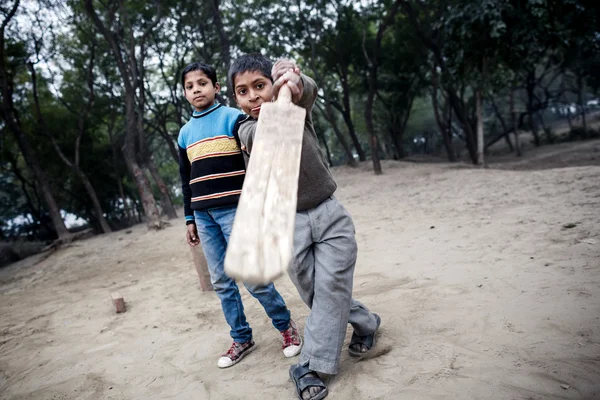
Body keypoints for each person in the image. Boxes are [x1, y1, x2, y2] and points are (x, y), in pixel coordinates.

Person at [229, 54, 381, 400]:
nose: (252, 96)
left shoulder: (299, 110)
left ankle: (311, 366)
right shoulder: (245, 129)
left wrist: (295, 81)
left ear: (272, 85)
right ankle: (367, 322)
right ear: (235, 99)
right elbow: (266, 133)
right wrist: (278, 98)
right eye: (243, 91)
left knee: (333, 283)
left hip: (329, 214)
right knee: (316, 292)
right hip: (288, 225)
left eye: (259, 86)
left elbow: (307, 91)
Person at [177, 61, 302, 369]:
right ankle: (241, 337)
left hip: (236, 210)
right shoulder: (184, 134)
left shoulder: (233, 118)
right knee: (221, 281)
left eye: (202, 83)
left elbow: (256, 155)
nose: (197, 90)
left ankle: (286, 327)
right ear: (184, 93)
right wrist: (189, 218)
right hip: (203, 216)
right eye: (190, 86)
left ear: (217, 88)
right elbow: (185, 180)